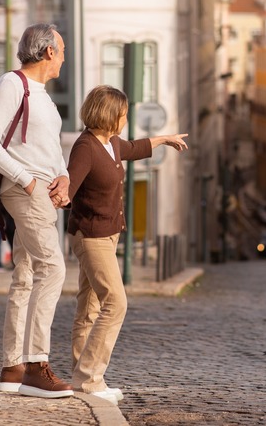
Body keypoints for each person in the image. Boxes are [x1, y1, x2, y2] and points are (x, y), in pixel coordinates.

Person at [66, 85, 188, 404]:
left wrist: (165, 139)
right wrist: (55, 192)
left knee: (90, 305)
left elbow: (134, 148)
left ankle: (83, 375)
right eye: (123, 114)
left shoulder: (111, 144)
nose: (126, 119)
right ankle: (90, 378)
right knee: (116, 303)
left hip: (107, 234)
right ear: (109, 115)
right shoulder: (86, 147)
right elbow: (69, 187)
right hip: (91, 235)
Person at [0, 23, 73, 399]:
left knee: (27, 273)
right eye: (62, 51)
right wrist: (27, 180)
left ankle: (13, 367)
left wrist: (63, 177)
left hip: (45, 193)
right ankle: (36, 364)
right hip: (25, 190)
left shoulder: (44, 97)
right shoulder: (11, 84)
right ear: (48, 51)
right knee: (54, 267)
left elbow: (49, 150)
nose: (64, 59)